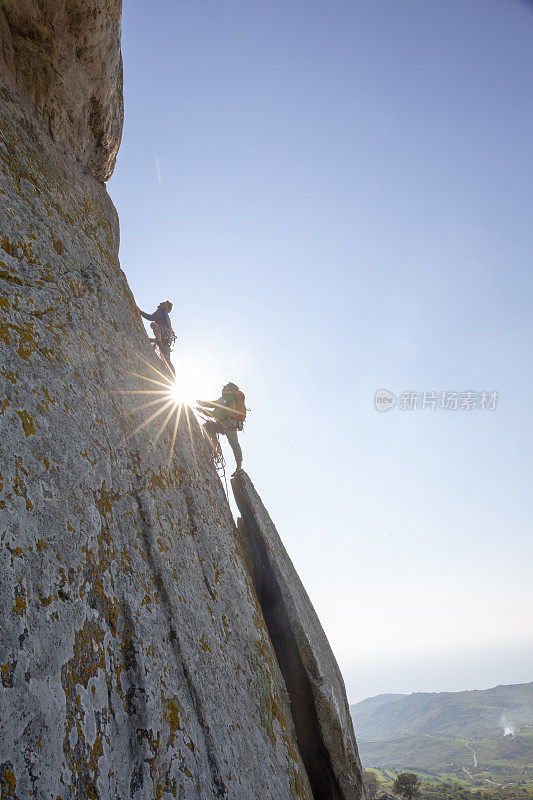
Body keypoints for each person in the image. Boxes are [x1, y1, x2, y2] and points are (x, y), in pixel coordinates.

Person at [197, 382, 246, 476]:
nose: (223, 387)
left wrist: (201, 407)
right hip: (227, 423)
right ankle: (212, 449)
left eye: (225, 387)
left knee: (234, 444)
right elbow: (215, 406)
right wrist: (201, 405)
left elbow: (215, 407)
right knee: (208, 427)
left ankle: (238, 467)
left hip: (229, 423)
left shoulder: (227, 398)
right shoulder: (229, 398)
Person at [137, 300, 175, 375]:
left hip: (163, 337)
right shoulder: (166, 316)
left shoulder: (161, 310)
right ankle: (173, 376)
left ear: (166, 306)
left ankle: (158, 341)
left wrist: (140, 312)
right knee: (166, 359)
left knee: (153, 325)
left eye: (164, 303)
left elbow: (151, 317)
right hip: (167, 340)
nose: (162, 303)